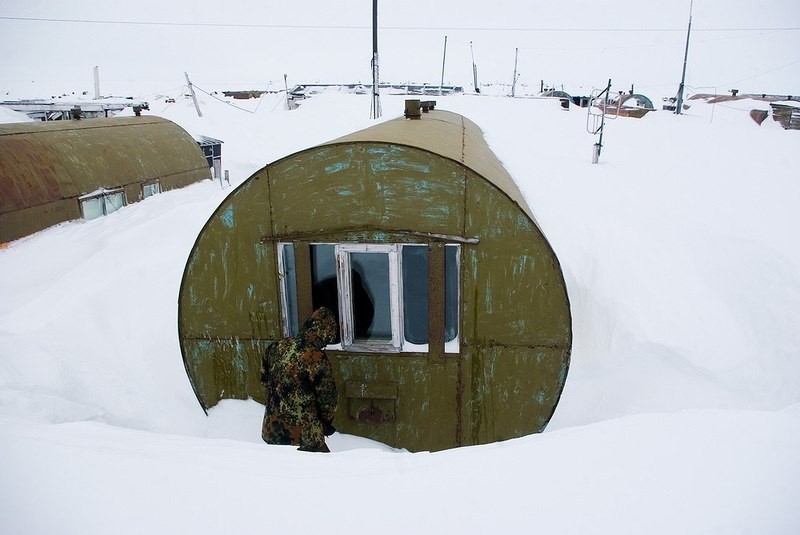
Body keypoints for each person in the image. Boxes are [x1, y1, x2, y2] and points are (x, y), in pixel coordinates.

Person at [261, 307, 339, 452]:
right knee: (322, 471)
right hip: (306, 436)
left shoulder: (275, 347)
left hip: (272, 431)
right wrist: (324, 423)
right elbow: (328, 400)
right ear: (325, 332)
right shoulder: (316, 357)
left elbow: (265, 381)